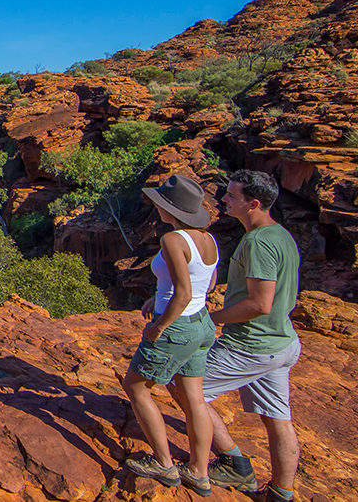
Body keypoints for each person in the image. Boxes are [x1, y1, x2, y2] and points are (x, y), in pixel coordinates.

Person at [200, 169, 301, 502]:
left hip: (250, 345)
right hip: (281, 342)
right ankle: (281, 494)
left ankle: (234, 462)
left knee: (183, 385)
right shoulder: (281, 235)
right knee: (278, 420)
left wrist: (209, 318)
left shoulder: (258, 242)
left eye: (231, 196)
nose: (224, 199)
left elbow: (259, 303)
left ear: (253, 203)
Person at [121, 174, 219, 497]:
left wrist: (159, 325)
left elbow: (183, 292)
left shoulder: (173, 240)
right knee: (193, 398)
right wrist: (157, 297)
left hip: (177, 326)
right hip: (202, 323)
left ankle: (164, 465)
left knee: (135, 386)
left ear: (170, 209)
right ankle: (199, 473)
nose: (156, 205)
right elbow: (207, 283)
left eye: (161, 202)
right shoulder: (208, 239)